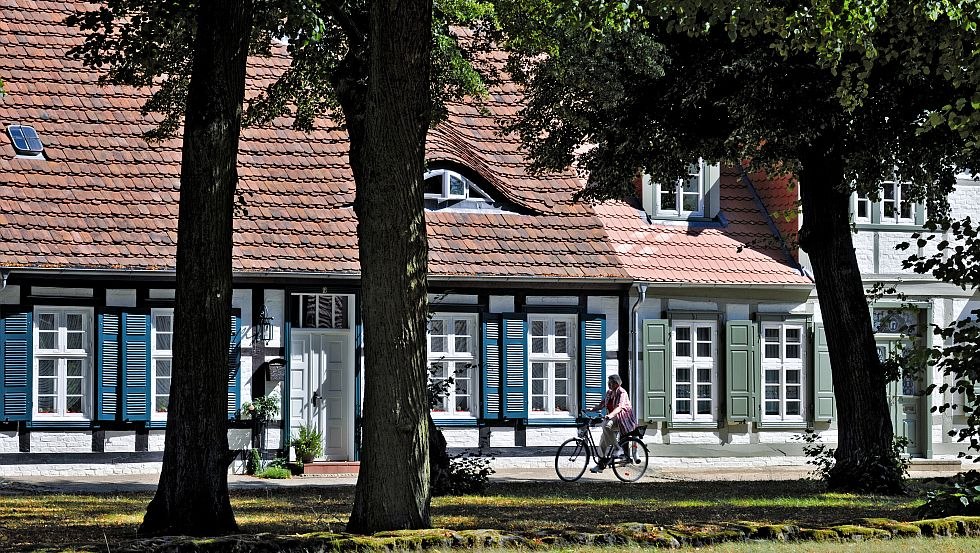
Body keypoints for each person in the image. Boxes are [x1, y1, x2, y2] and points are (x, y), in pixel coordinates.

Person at [588, 374, 637, 473]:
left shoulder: (622, 392)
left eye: (610, 383)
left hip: (622, 418)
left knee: (606, 425)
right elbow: (602, 404)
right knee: (602, 444)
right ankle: (600, 465)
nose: (608, 384)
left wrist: (610, 415)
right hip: (612, 418)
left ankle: (618, 448)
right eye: (608, 382)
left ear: (616, 384)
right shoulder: (609, 393)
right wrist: (591, 409)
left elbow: (619, 407)